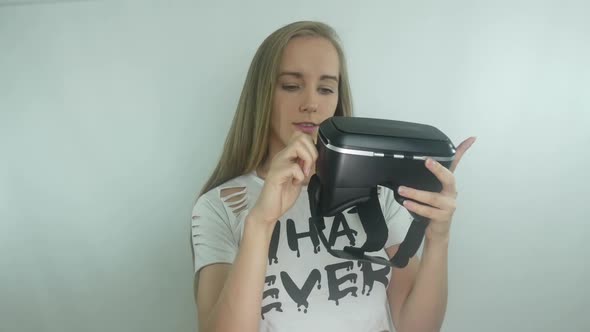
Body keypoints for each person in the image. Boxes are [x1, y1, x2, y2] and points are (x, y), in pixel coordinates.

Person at [190, 20, 476, 332]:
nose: (311, 104)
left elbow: (417, 327)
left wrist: (438, 237)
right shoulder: (218, 206)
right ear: (262, 96)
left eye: (326, 88)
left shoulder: (379, 195)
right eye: (291, 85)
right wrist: (259, 224)